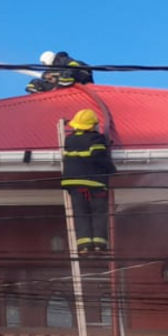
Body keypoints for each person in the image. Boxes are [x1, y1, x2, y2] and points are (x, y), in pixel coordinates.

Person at [62, 108, 115, 252]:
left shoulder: (68, 139)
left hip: (74, 185)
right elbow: (99, 157)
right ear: (92, 126)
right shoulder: (96, 139)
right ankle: (99, 244)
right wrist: (112, 169)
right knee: (98, 213)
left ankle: (84, 245)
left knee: (81, 214)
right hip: (95, 184)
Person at [26, 51, 94, 93]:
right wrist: (49, 78)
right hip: (60, 85)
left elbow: (74, 67)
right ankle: (43, 96)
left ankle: (59, 88)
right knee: (34, 83)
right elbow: (50, 77)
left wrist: (58, 75)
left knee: (66, 75)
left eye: (44, 63)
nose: (44, 65)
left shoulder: (63, 59)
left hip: (78, 78)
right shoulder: (50, 70)